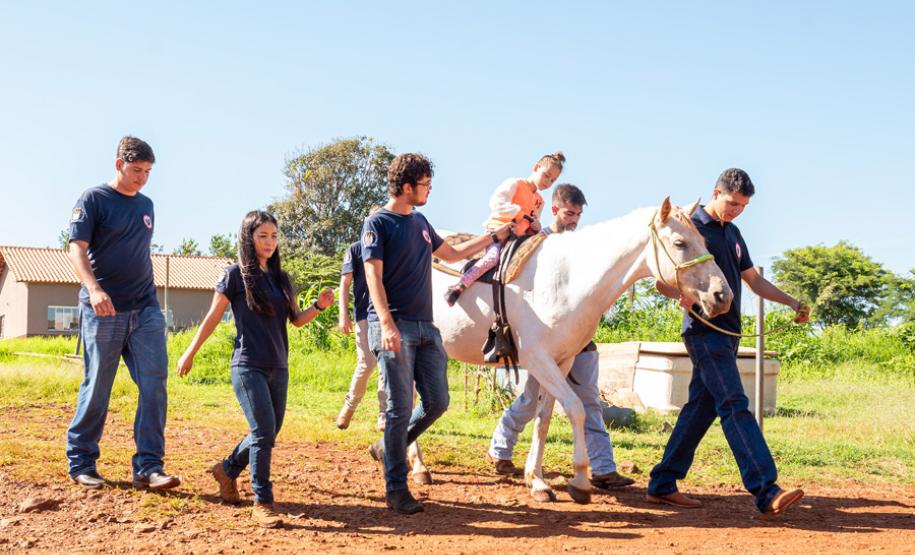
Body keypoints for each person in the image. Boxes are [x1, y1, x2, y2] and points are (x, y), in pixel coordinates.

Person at [646, 168, 810, 516]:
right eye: (732, 202)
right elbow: (661, 281)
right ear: (716, 193)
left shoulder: (734, 234)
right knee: (735, 404)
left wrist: (792, 302)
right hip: (704, 332)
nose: (737, 210)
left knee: (701, 408)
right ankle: (766, 490)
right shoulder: (692, 227)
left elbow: (753, 281)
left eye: (744, 206)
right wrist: (682, 296)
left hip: (729, 333)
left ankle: (662, 483)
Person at [363, 153, 513, 514]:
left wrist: (493, 236)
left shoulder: (420, 222)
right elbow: (373, 276)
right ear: (406, 187)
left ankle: (388, 449)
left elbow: (453, 252)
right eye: (426, 185)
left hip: (426, 327)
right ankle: (396, 488)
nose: (430, 190)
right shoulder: (377, 223)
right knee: (400, 409)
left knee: (438, 401)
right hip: (394, 326)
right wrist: (385, 323)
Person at [177, 211, 333, 528]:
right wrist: (190, 352)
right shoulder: (235, 276)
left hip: (279, 365)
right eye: (263, 236)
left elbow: (296, 320)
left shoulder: (281, 279)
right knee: (263, 432)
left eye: (274, 236)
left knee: (268, 432)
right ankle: (263, 501)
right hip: (248, 365)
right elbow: (211, 317)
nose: (269, 242)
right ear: (249, 238)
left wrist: (318, 307)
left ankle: (227, 469)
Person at [486, 184, 635, 490]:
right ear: (554, 210)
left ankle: (603, 468)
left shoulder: (583, 247)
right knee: (531, 399)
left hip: (580, 338)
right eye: (569, 213)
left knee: (590, 400)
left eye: (578, 214)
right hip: (543, 339)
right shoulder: (537, 242)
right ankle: (500, 449)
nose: (573, 220)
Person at [65, 136, 180, 491]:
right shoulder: (94, 199)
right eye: (136, 170)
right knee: (98, 384)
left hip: (145, 308)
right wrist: (94, 289)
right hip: (105, 308)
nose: (142, 178)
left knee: (154, 384)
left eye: (147, 172)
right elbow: (76, 249)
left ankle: (149, 466)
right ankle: (82, 460)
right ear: (119, 165)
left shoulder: (147, 205)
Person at [444, 151, 565, 306]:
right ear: (536, 167)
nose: (548, 182)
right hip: (498, 232)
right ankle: (460, 285)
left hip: (518, 240)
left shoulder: (540, 201)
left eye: (553, 180)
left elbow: (534, 222)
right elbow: (496, 202)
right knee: (492, 258)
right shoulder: (515, 184)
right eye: (546, 175)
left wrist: (536, 226)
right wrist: (518, 213)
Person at [336, 205, 386, 431]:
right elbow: (345, 284)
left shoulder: (390, 250)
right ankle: (349, 406)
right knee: (367, 363)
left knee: (387, 365)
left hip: (388, 314)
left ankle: (384, 415)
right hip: (365, 315)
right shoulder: (355, 249)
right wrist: (343, 315)